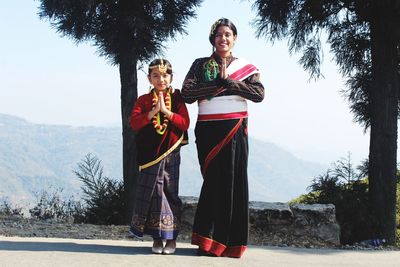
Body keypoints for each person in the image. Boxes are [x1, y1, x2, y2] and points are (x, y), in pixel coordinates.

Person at [181, 18, 264, 258]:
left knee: (232, 182)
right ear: (213, 39)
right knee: (213, 182)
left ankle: (228, 244)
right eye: (219, 34)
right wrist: (216, 85)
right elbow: (187, 92)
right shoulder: (200, 65)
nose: (223, 39)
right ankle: (207, 242)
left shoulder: (246, 67)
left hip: (234, 129)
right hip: (208, 130)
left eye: (228, 34)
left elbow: (258, 94)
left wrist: (231, 84)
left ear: (234, 38)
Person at [129, 58, 190, 255]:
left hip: (171, 152)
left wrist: (166, 112)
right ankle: (157, 238)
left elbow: (185, 123)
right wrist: (153, 112)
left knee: (170, 192)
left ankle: (171, 240)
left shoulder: (178, 99)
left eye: (165, 75)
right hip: (150, 155)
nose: (161, 79)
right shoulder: (144, 100)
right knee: (154, 193)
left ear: (171, 77)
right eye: (156, 75)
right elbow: (134, 123)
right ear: (149, 78)